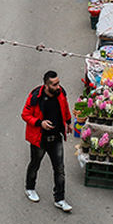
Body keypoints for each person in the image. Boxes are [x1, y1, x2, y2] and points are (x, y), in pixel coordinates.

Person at [21, 70, 73, 212]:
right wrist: (40, 123)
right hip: (40, 139)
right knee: (35, 163)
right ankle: (30, 188)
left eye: (58, 83)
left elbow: (65, 107)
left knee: (60, 169)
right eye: (55, 84)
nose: (58, 87)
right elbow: (25, 114)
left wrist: (68, 122)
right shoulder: (35, 97)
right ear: (46, 85)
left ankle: (59, 199)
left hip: (56, 138)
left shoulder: (61, 93)